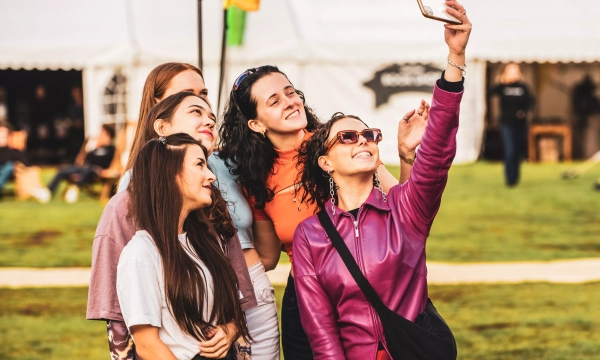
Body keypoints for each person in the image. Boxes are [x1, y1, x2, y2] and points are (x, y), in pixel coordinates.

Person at [291, 2, 470, 358]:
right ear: (325, 162)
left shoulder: (405, 211)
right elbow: (321, 331)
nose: (363, 140)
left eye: (369, 134)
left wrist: (455, 57)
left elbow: (436, 154)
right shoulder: (310, 235)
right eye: (348, 137)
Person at [218, 63, 416, 357]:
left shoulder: (338, 143)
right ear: (256, 124)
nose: (290, 102)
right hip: (304, 301)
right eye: (274, 101)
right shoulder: (255, 177)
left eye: (290, 92)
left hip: (363, 292)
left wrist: (406, 157)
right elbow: (268, 257)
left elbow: (406, 208)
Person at [87, 63, 260, 360]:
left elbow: (233, 294)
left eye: (205, 97)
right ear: (161, 118)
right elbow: (123, 322)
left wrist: (230, 330)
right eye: (190, 102)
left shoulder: (210, 198)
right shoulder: (128, 205)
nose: (206, 112)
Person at [117, 132, 251, 359]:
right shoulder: (140, 253)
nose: (211, 176)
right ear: (169, 174)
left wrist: (229, 331)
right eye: (199, 165)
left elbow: (232, 312)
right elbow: (147, 345)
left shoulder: (207, 240)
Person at [489, 63, 534, 187]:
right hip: (506, 123)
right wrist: (502, 82)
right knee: (509, 150)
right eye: (511, 70)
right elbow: (490, 92)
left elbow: (530, 102)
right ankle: (510, 179)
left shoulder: (523, 87)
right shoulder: (503, 87)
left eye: (516, 70)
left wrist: (523, 112)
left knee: (517, 151)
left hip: (520, 124)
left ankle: (516, 176)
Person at [47, 124, 115, 202]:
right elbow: (80, 161)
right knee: (63, 170)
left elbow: (114, 165)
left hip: (96, 172)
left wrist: (107, 171)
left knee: (89, 169)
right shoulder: (94, 150)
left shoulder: (112, 149)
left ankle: (75, 189)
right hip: (84, 169)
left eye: (101, 133)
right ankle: (48, 191)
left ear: (108, 135)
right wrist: (87, 144)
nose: (99, 135)